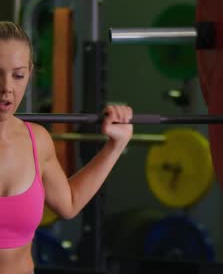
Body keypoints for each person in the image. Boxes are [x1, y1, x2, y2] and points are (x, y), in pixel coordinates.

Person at [0, 21, 133, 274]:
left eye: (17, 75)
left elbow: (69, 203)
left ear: (29, 73)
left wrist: (115, 146)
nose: (7, 87)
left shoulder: (37, 140)